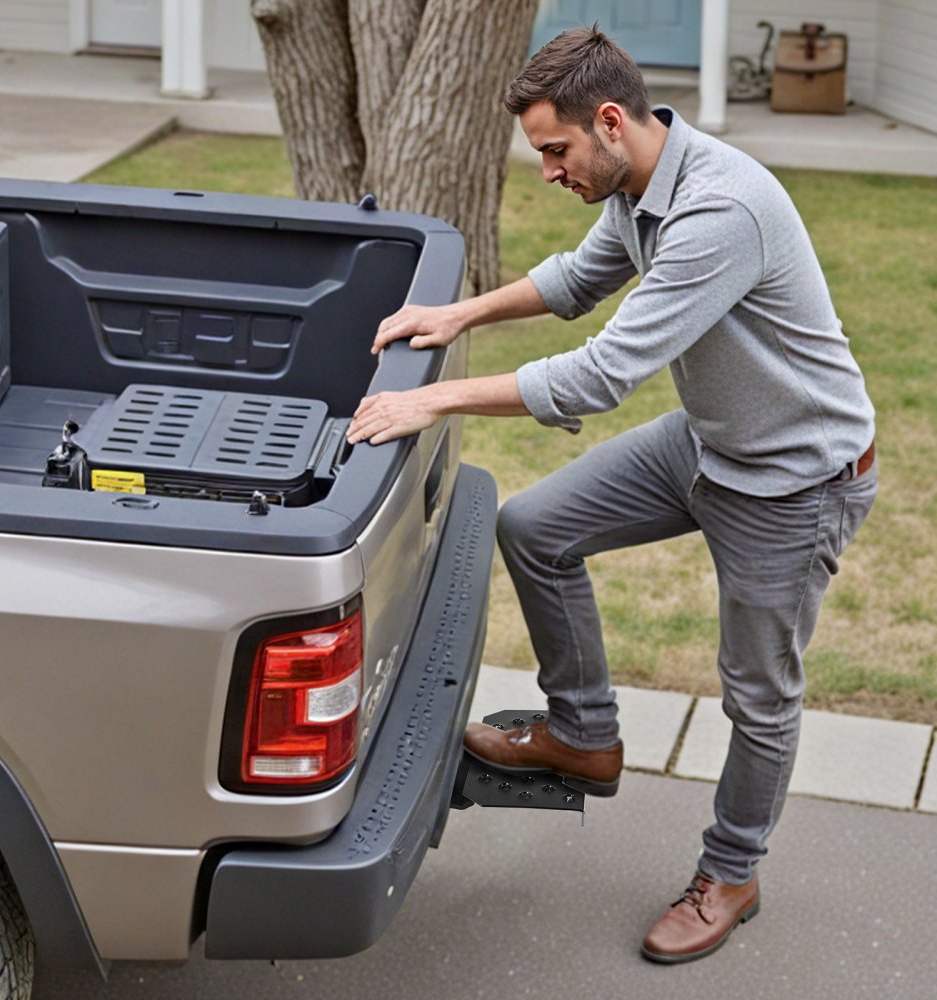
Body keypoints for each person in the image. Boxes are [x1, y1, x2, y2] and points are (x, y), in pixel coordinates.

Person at [346, 27, 877, 964]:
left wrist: (431, 396)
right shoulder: (640, 183)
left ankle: (732, 872)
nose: (549, 171)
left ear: (609, 121)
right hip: (711, 441)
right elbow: (577, 280)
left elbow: (597, 377)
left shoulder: (720, 213)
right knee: (535, 527)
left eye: (555, 151)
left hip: (794, 481)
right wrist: (456, 312)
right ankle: (584, 736)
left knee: (757, 699)